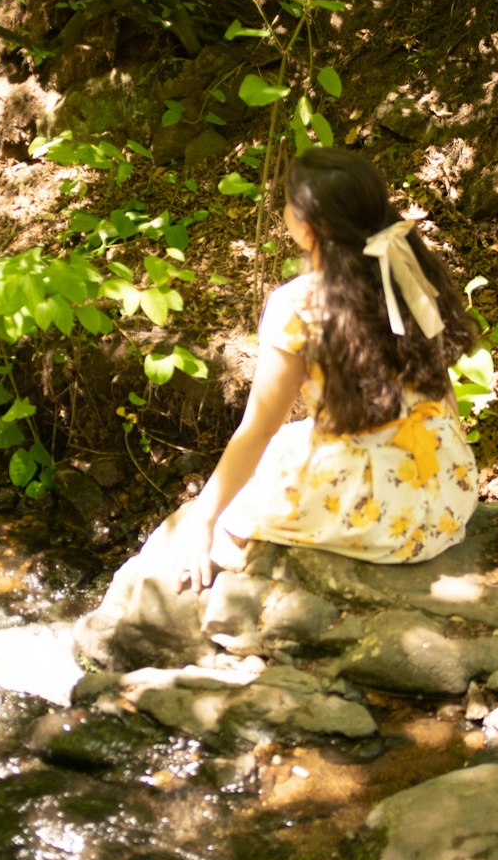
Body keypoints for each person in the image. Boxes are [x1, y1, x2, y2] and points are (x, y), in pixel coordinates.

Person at [177, 149, 479, 593]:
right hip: (446, 486)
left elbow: (258, 427)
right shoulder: (403, 267)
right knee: (293, 441)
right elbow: (440, 383)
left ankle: (234, 554)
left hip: (384, 515)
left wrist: (204, 517)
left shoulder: (298, 305)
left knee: (270, 460)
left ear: (306, 226)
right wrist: (450, 463)